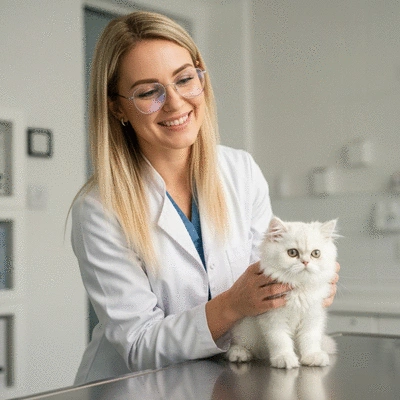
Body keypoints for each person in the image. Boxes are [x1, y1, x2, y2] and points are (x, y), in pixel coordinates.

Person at [71, 10, 339, 385]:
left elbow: (261, 279)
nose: (176, 103)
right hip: (135, 387)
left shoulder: (241, 171)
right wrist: (233, 305)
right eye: (149, 92)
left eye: (184, 79)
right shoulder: (98, 210)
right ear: (117, 107)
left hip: (227, 377)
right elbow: (138, 344)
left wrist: (296, 285)